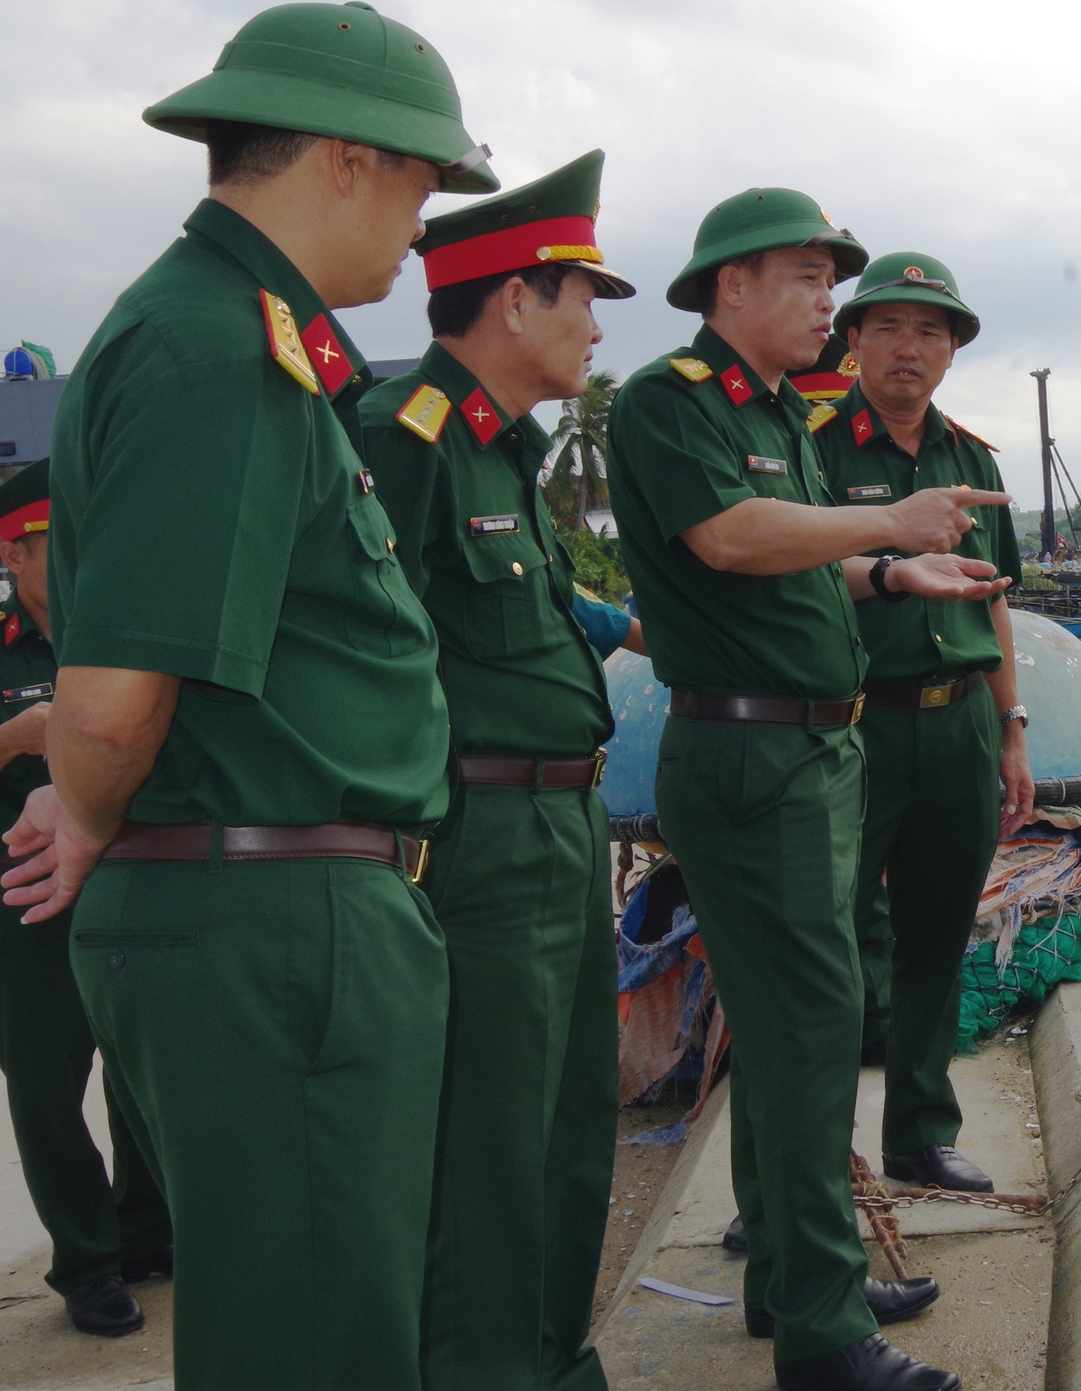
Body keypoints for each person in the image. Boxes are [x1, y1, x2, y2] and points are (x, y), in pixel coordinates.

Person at [1, 0, 495, 1391]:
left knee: (310, 1316)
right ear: (344, 158)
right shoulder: (222, 347)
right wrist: (86, 807)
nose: (425, 220)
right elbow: (107, 702)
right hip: (278, 924)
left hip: (275, 913)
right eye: (421, 178)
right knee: (316, 1345)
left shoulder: (234, 332)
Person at [606, 188, 1009, 1391]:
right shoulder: (669, 405)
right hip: (753, 753)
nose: (827, 301)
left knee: (803, 1030)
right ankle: (823, 1332)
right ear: (732, 285)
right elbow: (729, 543)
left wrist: (887, 574)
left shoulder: (777, 416)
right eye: (806, 277)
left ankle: (797, 1273)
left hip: (812, 750)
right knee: (808, 1024)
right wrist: (880, 517)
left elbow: (795, 577)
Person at [357, 149, 642, 1391]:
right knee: (484, 1147)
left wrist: (624, 627)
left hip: (561, 827)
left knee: (572, 1131)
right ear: (515, 300)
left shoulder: (503, 453)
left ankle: (551, 1361)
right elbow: (360, 646)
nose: (591, 328)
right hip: (474, 838)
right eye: (581, 298)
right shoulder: (399, 438)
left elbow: (521, 615)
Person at [0, 461, 170, 1339]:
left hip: (141, 878)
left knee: (145, 1076)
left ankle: (149, 1231)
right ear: (14, 552)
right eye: (54, 544)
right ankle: (88, 1262)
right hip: (29, 898)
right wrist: (10, 737)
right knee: (46, 1089)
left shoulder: (127, 634)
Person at [810, 254, 1031, 1192]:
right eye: (889, 327)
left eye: (930, 331)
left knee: (939, 932)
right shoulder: (814, 448)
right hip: (852, 726)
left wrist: (1012, 729)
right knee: (823, 944)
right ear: (852, 340)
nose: (910, 347)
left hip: (959, 729)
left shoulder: (971, 460)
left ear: (951, 352)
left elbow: (995, 604)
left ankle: (919, 1134)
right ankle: (806, 1164)